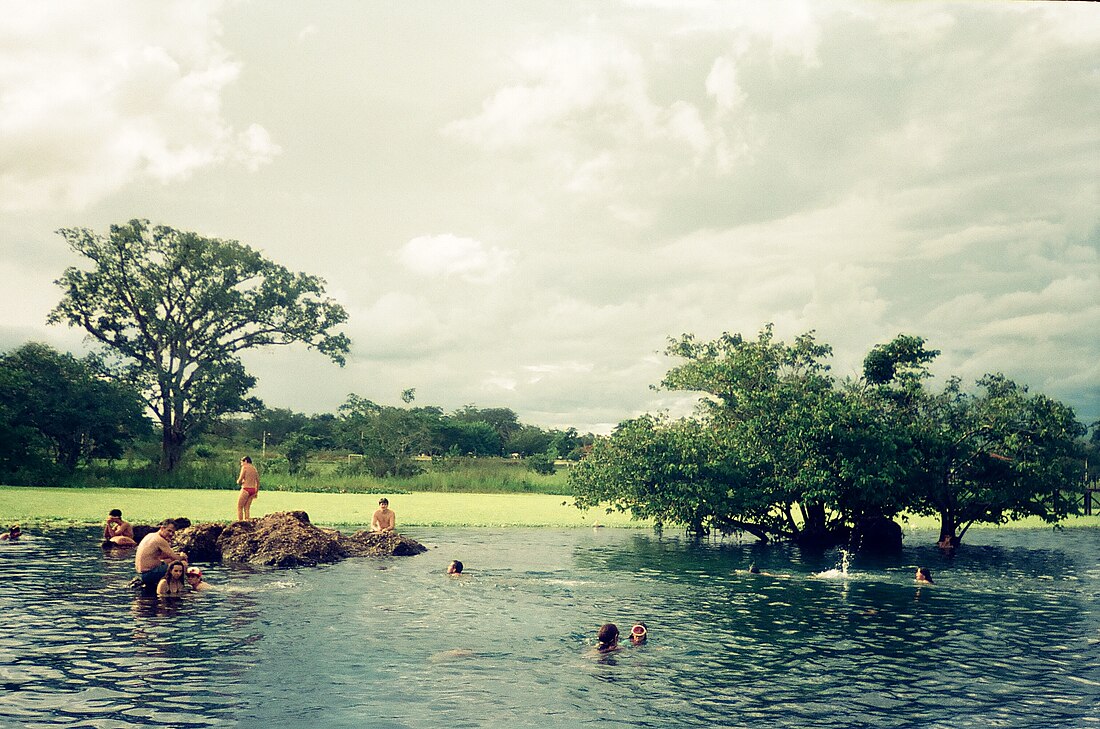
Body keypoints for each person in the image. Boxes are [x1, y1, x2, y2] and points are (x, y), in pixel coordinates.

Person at [135, 520, 188, 589]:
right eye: (169, 531)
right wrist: (183, 556)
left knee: (170, 561)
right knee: (182, 564)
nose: (171, 534)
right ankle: (178, 587)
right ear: (162, 528)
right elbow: (176, 558)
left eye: (173, 532)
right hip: (149, 574)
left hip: (142, 573)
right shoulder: (160, 540)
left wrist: (177, 554)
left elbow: (162, 556)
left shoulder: (150, 535)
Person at [236, 456, 260, 521]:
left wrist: (238, 481)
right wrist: (256, 492)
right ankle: (247, 521)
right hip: (253, 490)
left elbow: (240, 479)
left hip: (246, 489)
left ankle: (240, 522)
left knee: (239, 507)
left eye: (242, 462)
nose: (241, 464)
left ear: (245, 461)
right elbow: (258, 481)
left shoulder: (245, 467)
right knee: (247, 507)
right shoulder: (254, 469)